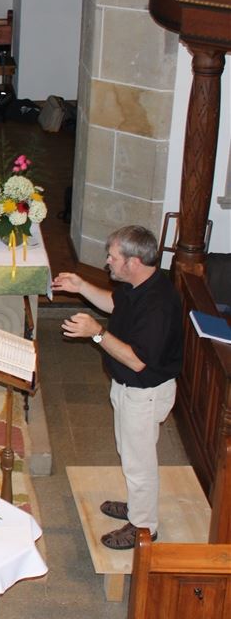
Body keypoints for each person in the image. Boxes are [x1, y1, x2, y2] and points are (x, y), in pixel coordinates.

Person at [52, 225, 182, 550]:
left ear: (133, 261)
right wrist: (81, 286)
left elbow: (138, 360)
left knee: (140, 462)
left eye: (112, 257)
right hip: (128, 388)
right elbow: (114, 303)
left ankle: (144, 528)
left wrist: (96, 333)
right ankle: (138, 507)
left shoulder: (159, 304)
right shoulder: (136, 283)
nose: (107, 263)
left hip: (145, 392)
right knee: (129, 452)